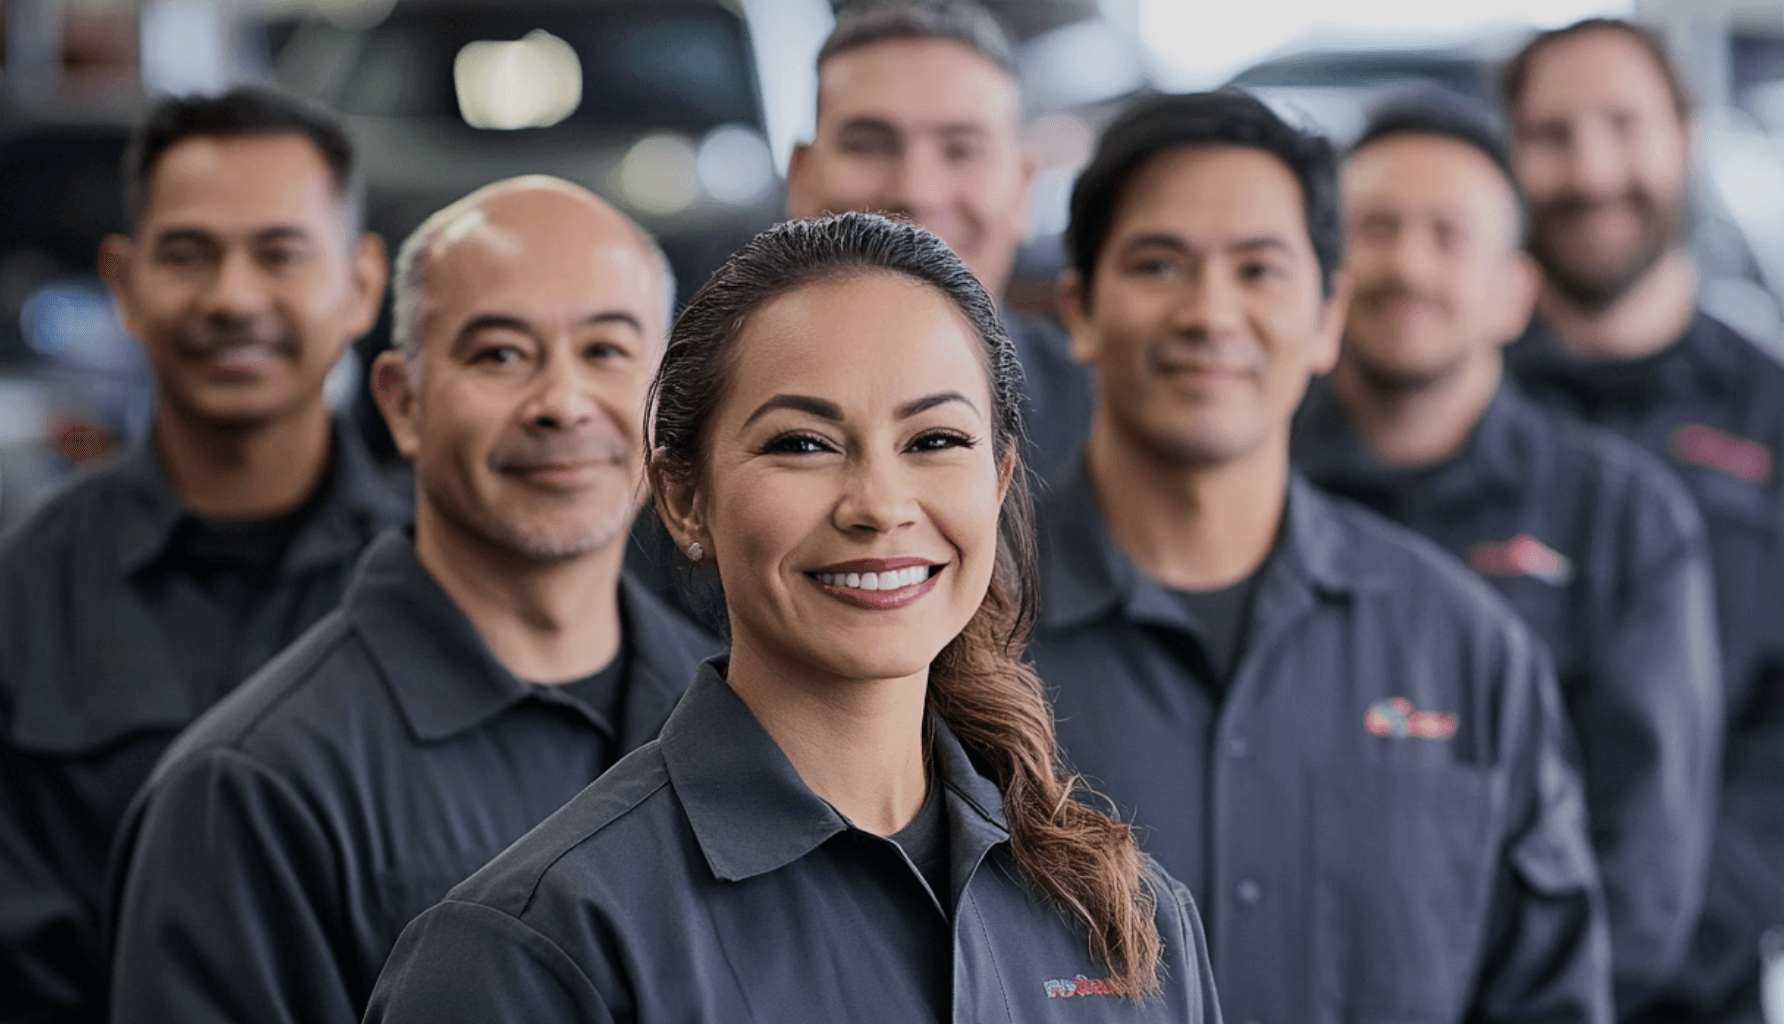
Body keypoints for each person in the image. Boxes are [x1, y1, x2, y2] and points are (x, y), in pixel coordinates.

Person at [363, 212, 1221, 1022]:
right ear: (684, 498)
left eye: (934, 441)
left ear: (997, 485)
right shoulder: (536, 948)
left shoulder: (1128, 915)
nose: (881, 505)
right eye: (803, 444)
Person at [1032, 90, 1613, 1024]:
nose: (1210, 312)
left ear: (1329, 316)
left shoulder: (1464, 646)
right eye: (1158, 263)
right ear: (1081, 309)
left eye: (1259, 269)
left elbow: (1552, 993)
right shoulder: (966, 633)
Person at [103, 176, 718, 1024]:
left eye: (607, 351)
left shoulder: (739, 723)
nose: (562, 404)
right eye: (500, 353)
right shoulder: (250, 793)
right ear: (402, 403)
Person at [1292, 97, 1722, 1017]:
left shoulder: (1623, 520)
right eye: (1376, 229)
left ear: (1513, 291)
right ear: (1325, 269)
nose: (1407, 264)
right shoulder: (1254, 490)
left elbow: (1639, 885)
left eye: (1448, 235)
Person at [0, 87, 403, 1023]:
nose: (231, 297)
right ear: (125, 283)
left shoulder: (450, 591)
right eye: (189, 254)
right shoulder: (16, 603)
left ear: (362, 285)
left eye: (279, 253)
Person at [1502, 20, 1784, 1024]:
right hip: (1479, 970)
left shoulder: (1770, 411)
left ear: (1686, 137)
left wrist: (1680, 922)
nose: (1591, 169)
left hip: (1698, 984)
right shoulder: (1457, 412)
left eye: (1623, 125)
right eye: (1552, 133)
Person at [784, 0, 1092, 481]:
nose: (916, 192)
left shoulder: (1113, 424)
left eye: (961, 149)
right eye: (869, 144)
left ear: (1023, 189)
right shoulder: (695, 414)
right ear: (800, 178)